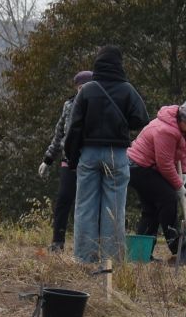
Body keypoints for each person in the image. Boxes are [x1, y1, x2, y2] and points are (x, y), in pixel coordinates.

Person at [63, 45, 147, 265]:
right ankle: (111, 261)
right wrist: (122, 125)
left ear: (97, 64)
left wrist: (72, 158)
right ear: (119, 64)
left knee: (85, 207)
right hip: (116, 154)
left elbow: (74, 128)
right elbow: (141, 119)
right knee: (114, 209)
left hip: (89, 154)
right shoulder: (127, 89)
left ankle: (84, 258)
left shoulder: (88, 90)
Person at [126, 100, 186, 258]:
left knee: (152, 211)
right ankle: (176, 243)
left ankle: (140, 255)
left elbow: (183, 152)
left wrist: (185, 173)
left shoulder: (185, 130)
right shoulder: (166, 130)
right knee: (168, 197)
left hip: (149, 167)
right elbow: (165, 164)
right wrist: (178, 185)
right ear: (184, 120)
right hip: (138, 167)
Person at [38, 70, 93, 252]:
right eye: (80, 87)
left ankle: (87, 244)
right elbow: (59, 134)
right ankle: (58, 241)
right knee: (64, 199)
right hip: (69, 159)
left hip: (89, 158)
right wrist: (47, 159)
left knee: (86, 202)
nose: (82, 90)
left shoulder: (97, 106)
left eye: (86, 86)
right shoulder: (68, 106)